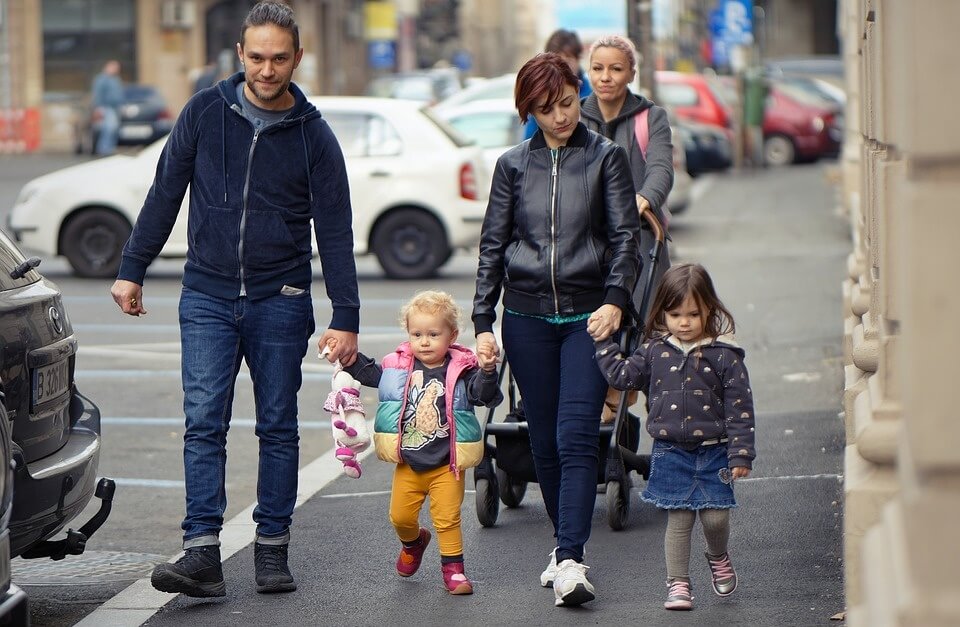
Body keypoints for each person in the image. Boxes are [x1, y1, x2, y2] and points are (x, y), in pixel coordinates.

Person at [110, 1, 360, 597]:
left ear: (297, 58)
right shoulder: (204, 114)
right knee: (203, 423)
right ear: (240, 54)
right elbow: (165, 191)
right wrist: (131, 268)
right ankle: (202, 553)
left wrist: (345, 316)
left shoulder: (315, 138)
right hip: (207, 295)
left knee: (277, 426)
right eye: (256, 58)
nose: (267, 70)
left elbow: (336, 229)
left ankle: (272, 548)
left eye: (279, 59)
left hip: (282, 296)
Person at [473, 52, 641, 607]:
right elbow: (492, 247)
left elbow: (625, 240)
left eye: (567, 103)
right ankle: (561, 546)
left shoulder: (606, 158)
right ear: (530, 111)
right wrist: (481, 321)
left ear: (578, 92)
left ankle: (571, 557)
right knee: (541, 438)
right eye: (546, 110)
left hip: (589, 319)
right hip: (525, 319)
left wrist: (616, 300)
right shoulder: (512, 166)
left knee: (575, 436)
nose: (561, 117)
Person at [591, 263, 756, 611]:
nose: (684, 322)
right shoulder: (654, 351)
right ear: (662, 313)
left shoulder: (724, 356)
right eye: (675, 313)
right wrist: (604, 343)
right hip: (670, 452)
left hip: (714, 452)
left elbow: (739, 407)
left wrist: (741, 454)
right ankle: (678, 584)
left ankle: (718, 555)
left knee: (716, 517)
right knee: (679, 519)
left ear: (709, 309)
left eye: (693, 314)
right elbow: (622, 376)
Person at [343, 291, 501, 595]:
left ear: (452, 335)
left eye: (433, 334)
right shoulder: (400, 367)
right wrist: (348, 358)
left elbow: (482, 394)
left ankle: (454, 570)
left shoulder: (463, 371)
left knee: (448, 519)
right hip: (410, 463)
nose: (424, 341)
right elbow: (371, 373)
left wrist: (489, 371)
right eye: (417, 334)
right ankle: (414, 543)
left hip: (447, 463)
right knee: (400, 517)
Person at [580, 34, 675, 422]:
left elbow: (661, 168)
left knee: (643, 326)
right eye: (598, 68)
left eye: (616, 69)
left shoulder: (650, 117)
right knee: (595, 322)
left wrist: (644, 198)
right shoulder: (575, 115)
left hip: (639, 239)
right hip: (585, 240)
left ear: (631, 72)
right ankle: (607, 403)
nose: (606, 77)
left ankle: (628, 398)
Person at [523, 29, 593, 139]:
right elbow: (530, 140)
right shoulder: (539, 96)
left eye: (568, 61)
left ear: (578, 59)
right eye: (557, 61)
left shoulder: (593, 96)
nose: (562, 67)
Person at [90, 59, 124, 156]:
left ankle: (110, 148)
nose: (116, 69)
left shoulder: (116, 79)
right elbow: (98, 95)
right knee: (109, 129)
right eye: (114, 67)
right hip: (106, 108)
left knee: (114, 129)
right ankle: (104, 150)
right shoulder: (101, 79)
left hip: (116, 108)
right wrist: (98, 108)